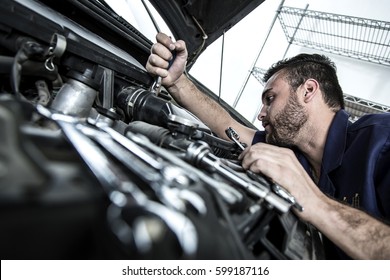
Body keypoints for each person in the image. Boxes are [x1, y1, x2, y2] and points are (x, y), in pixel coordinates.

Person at [145, 32, 390, 259]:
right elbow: (229, 127)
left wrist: (314, 201)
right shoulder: (292, 153)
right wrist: (178, 82)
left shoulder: (381, 141)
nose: (261, 114)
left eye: (270, 99)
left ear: (308, 91)